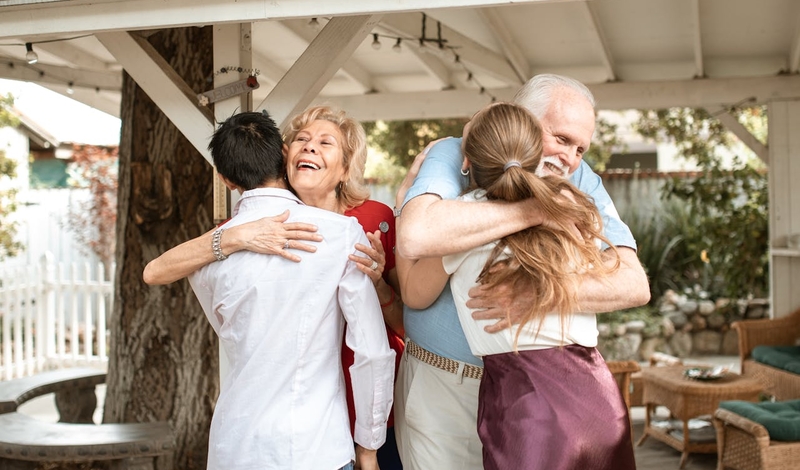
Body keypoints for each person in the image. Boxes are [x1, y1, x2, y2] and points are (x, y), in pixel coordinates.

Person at [392, 74, 650, 470]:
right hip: (447, 386)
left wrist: (539, 294)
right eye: (562, 139)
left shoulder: (578, 181)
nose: (571, 158)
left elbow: (633, 283)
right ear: (520, 119)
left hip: (528, 403)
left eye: (581, 148)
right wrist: (532, 210)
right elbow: (417, 235)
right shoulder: (455, 152)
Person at [143, 106, 405, 469]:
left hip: (236, 446)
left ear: (225, 179)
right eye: (302, 139)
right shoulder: (341, 235)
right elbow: (372, 354)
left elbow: (226, 327)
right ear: (284, 155)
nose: (310, 148)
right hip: (317, 444)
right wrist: (369, 448)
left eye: (324, 142)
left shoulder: (206, 254)